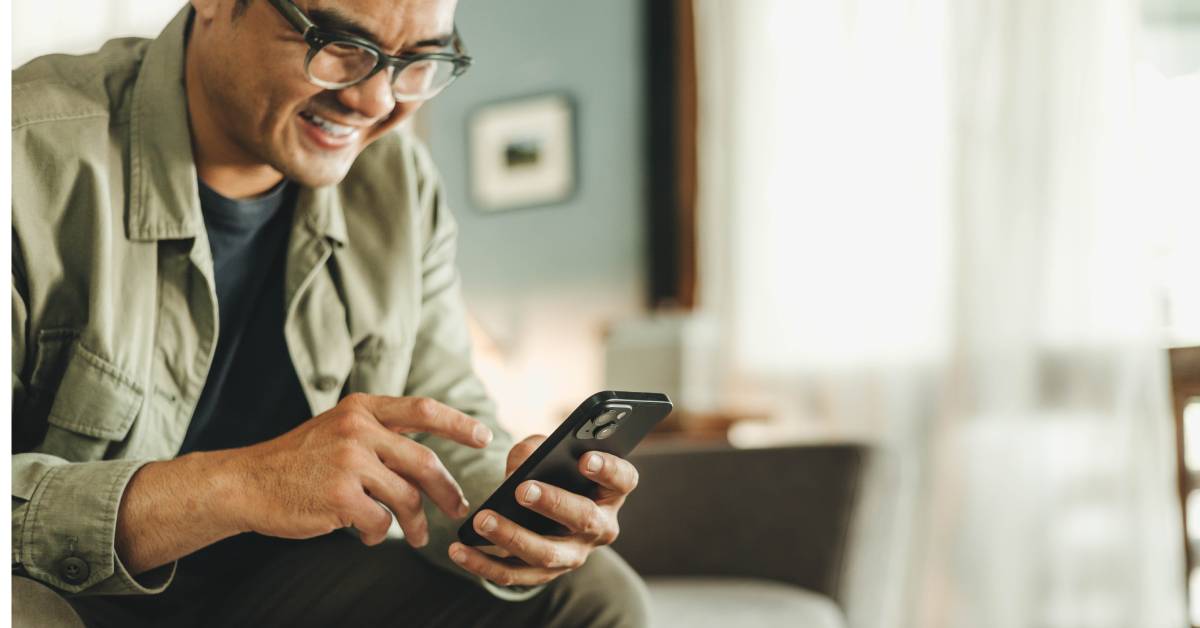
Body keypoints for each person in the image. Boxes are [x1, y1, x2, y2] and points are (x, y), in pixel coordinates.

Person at [10, 0, 650, 625]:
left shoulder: (399, 183)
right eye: (338, 44)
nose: (377, 103)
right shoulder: (25, 158)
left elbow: (440, 419)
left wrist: (522, 514)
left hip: (280, 588)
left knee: (590, 595)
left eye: (420, 61)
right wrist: (241, 484)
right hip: (64, 594)